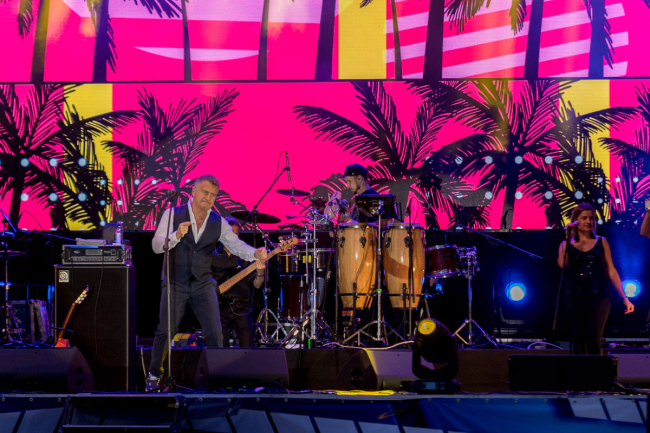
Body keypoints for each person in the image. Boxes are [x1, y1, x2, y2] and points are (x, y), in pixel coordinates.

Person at [147, 175, 267, 390]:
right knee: (166, 330)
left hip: (202, 282)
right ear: (193, 192)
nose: (208, 198)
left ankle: (216, 379)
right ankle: (154, 376)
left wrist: (254, 253)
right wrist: (175, 236)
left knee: (214, 331)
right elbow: (156, 246)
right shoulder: (172, 214)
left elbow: (236, 246)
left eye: (212, 195)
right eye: (205, 192)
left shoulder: (218, 222)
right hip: (175, 281)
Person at [557, 203, 634, 355]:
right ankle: (580, 369)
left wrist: (624, 298)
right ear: (576, 220)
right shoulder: (566, 244)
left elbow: (611, 270)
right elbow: (562, 265)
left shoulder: (601, 241)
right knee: (578, 339)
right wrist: (568, 239)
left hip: (599, 295)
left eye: (591, 218)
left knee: (593, 338)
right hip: (574, 296)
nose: (588, 221)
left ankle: (597, 369)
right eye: (584, 218)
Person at [212, 217, 265, 347]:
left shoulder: (246, 255)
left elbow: (257, 284)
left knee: (247, 348)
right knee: (219, 349)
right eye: (230, 234)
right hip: (219, 308)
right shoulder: (211, 256)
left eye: (236, 234)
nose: (234, 237)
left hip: (241, 308)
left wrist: (260, 272)